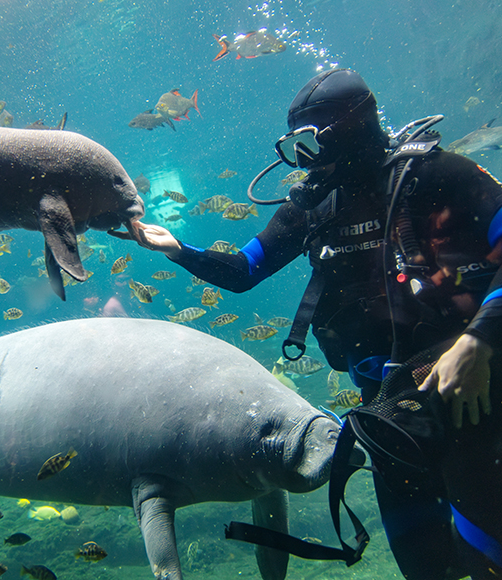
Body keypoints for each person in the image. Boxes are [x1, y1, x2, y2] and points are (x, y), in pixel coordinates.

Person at [113, 68, 502, 579]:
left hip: (473, 402)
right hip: (386, 415)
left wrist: (478, 340)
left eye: (309, 141)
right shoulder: (314, 204)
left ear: (347, 129)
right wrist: (178, 249)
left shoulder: (438, 177)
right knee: (424, 563)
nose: (302, 158)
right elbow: (245, 271)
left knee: (488, 548)